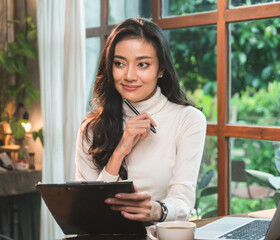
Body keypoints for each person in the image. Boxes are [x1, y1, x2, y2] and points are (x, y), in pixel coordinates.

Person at [75, 17, 207, 223]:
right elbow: (87, 209)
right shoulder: (91, 128)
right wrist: (120, 151)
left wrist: (156, 210)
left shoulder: (188, 120)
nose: (129, 75)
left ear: (161, 69)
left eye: (143, 64)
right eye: (119, 64)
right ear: (109, 68)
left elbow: (183, 201)